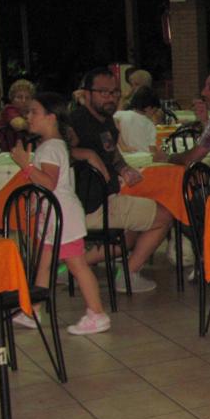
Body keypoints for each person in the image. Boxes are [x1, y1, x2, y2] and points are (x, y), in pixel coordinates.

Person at [10, 92, 110, 335]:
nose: (29, 116)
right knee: (44, 265)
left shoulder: (51, 147)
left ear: (51, 117)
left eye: (34, 112)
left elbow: (49, 182)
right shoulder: (52, 145)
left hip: (62, 217)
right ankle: (33, 310)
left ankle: (97, 313)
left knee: (77, 265)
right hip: (55, 217)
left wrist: (26, 165)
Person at [69, 67, 172, 293]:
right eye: (103, 92)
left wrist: (124, 169)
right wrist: (87, 154)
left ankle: (75, 265)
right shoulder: (76, 122)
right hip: (90, 206)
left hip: (107, 199)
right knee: (165, 216)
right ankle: (127, 275)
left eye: (114, 92)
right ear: (86, 94)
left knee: (134, 230)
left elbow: (111, 149)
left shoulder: (105, 120)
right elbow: (55, 149)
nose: (110, 97)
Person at [114, 86, 161, 153]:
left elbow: (113, 121)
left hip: (125, 156)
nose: (154, 114)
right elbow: (152, 149)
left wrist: (123, 146)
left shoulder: (121, 115)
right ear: (148, 108)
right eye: (154, 111)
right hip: (145, 156)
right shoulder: (149, 124)